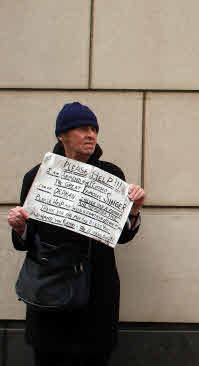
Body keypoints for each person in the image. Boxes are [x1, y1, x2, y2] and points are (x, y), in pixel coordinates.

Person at [7, 102, 146, 365]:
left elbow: (121, 237)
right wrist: (20, 228)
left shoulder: (111, 175)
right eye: (83, 129)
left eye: (94, 129)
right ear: (62, 135)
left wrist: (133, 212)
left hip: (96, 292)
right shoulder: (37, 176)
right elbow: (24, 240)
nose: (91, 134)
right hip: (50, 289)